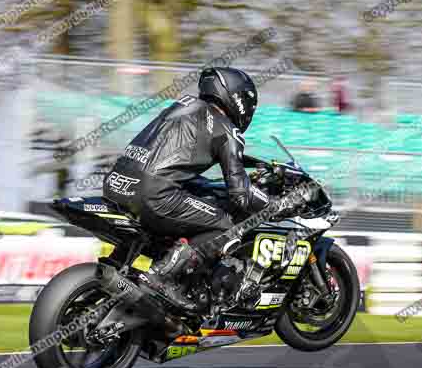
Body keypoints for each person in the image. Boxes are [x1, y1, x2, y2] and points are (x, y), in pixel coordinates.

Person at [103, 67, 294, 311]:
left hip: (116, 183)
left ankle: (119, 266)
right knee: (228, 224)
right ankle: (161, 277)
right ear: (237, 98)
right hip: (153, 195)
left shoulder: (180, 106)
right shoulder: (226, 129)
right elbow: (241, 195)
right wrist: (275, 206)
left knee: (191, 206)